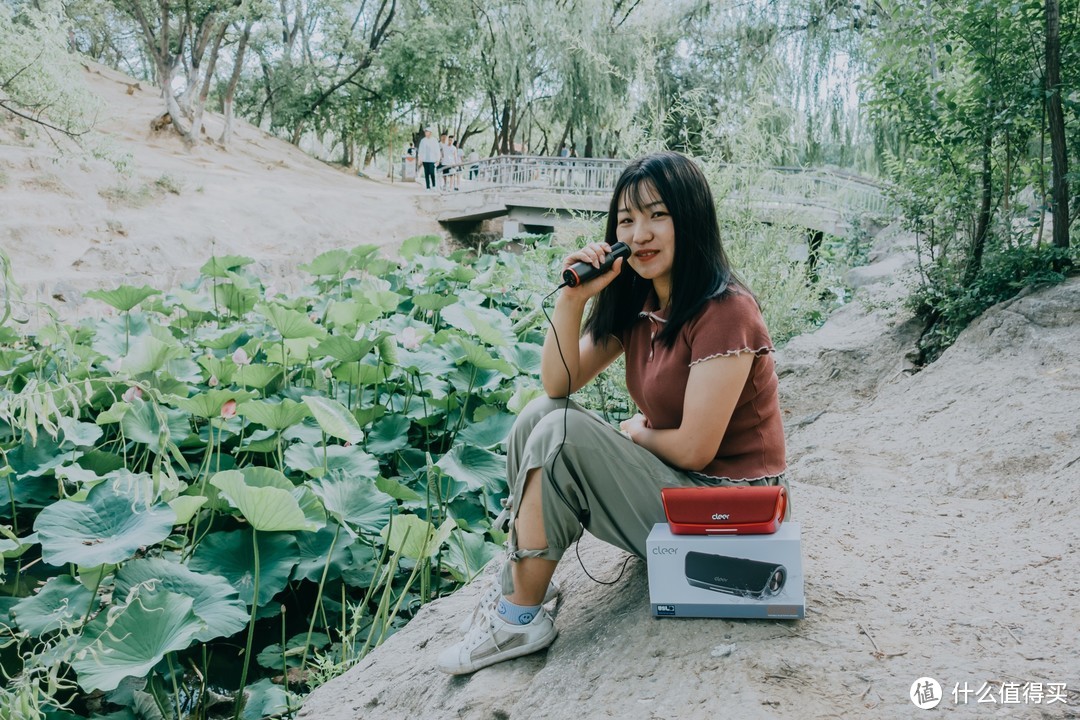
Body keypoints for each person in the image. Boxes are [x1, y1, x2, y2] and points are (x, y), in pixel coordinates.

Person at [437, 151, 789, 675]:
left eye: (657, 215)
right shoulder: (642, 300)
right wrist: (575, 297)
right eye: (627, 220)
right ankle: (530, 573)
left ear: (690, 218)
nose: (640, 232)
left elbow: (696, 449)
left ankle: (516, 620)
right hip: (680, 483)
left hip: (732, 505)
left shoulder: (726, 310)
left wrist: (637, 432)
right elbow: (557, 382)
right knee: (541, 414)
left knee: (561, 431)